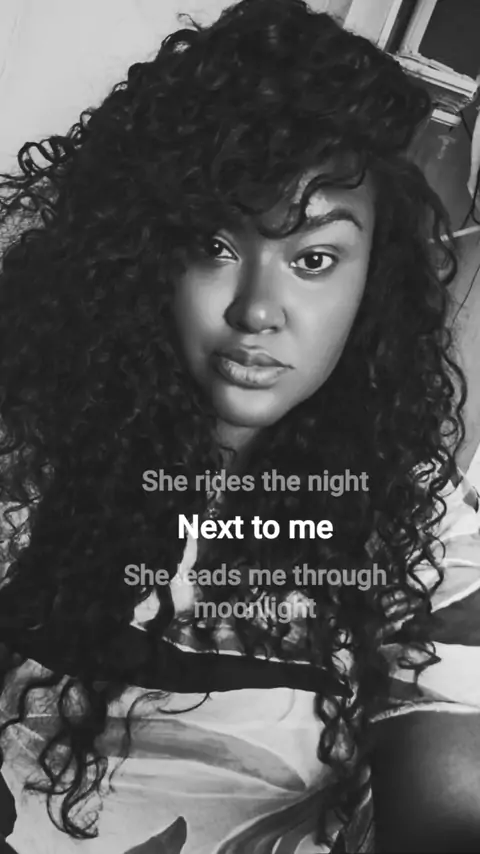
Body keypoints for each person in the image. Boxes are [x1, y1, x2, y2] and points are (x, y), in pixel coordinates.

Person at [0, 0, 479, 851]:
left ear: (373, 284)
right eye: (215, 246)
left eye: (314, 259)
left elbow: (452, 796)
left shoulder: (415, 526)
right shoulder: (25, 456)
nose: (258, 311)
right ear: (145, 252)